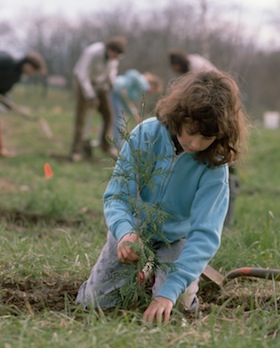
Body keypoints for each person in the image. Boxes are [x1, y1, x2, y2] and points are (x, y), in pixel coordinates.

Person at [75, 70, 249, 325]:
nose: (196, 144)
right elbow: (117, 196)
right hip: (134, 232)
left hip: (177, 239)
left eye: (207, 137)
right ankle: (142, 271)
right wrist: (125, 232)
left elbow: (205, 233)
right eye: (192, 131)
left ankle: (170, 281)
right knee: (95, 305)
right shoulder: (146, 135)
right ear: (180, 115)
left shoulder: (214, 164)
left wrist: (170, 292)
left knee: (177, 310)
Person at [168, 49, 239, 226]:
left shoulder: (197, 68)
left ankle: (223, 219)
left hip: (216, 113)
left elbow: (207, 97)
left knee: (224, 171)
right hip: (202, 116)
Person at [70, 36, 127, 162]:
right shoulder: (93, 52)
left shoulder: (114, 58)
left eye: (117, 55)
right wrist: (90, 95)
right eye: (114, 53)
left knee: (108, 114)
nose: (114, 57)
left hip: (100, 83)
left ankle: (105, 145)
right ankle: (77, 149)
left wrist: (111, 81)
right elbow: (82, 74)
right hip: (82, 82)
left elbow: (112, 70)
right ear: (109, 49)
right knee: (82, 117)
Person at [0, 51, 47, 157]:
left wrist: (10, 105)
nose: (32, 74)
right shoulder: (6, 61)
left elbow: (2, 91)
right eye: (34, 71)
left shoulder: (16, 76)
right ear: (29, 65)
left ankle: (1, 150)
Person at [111, 69, 163, 148]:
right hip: (115, 90)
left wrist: (134, 114)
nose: (152, 93)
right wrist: (124, 86)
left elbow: (127, 102)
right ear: (152, 85)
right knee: (118, 119)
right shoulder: (143, 82)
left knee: (118, 118)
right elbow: (132, 74)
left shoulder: (139, 90)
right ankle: (116, 145)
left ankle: (115, 143)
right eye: (154, 90)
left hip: (118, 96)